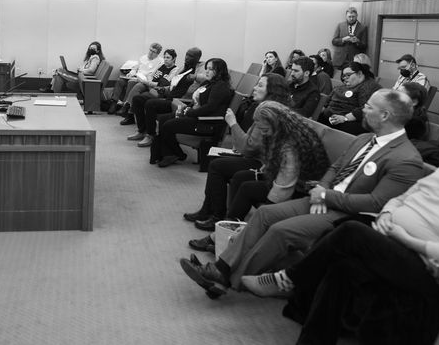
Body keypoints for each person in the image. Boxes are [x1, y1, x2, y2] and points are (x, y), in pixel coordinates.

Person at [242, 127, 439, 345]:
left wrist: (412, 241)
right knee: (343, 269)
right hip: (392, 242)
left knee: (351, 231)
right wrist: (388, 214)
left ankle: (289, 278)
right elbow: (402, 198)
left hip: (428, 267)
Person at [179, 89, 426, 298]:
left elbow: (376, 203)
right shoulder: (364, 139)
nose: (363, 109)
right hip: (323, 198)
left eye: (369, 107)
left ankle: (230, 280)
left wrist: (326, 196)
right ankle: (221, 269)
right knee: (265, 214)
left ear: (385, 115)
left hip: (348, 215)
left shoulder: (405, 158)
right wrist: (322, 189)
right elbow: (335, 167)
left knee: (280, 230)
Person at [187, 102, 329, 253]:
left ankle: (224, 236)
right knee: (243, 179)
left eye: (265, 130)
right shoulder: (284, 130)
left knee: (248, 189)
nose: (264, 133)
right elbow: (277, 165)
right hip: (288, 180)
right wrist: (266, 169)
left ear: (275, 123)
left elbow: (284, 187)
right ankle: (227, 230)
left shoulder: (290, 146)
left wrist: (267, 209)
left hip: (302, 190)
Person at [184, 73, 292, 229]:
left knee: (217, 166)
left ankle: (216, 216)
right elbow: (250, 142)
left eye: (260, 85)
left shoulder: (268, 113)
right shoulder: (264, 107)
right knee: (217, 163)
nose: (254, 88)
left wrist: (233, 123)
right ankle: (209, 211)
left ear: (272, 91)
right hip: (259, 159)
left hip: (262, 163)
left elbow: (248, 147)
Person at [150, 58, 234, 168]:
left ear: (219, 71)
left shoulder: (221, 86)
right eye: (206, 69)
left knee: (168, 125)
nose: (207, 71)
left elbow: (209, 108)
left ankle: (176, 153)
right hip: (197, 116)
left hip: (206, 123)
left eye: (211, 69)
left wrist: (189, 112)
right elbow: (197, 100)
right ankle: (168, 153)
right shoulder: (208, 83)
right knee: (163, 119)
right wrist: (187, 109)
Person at [127, 48, 203, 147]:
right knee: (137, 99)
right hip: (168, 95)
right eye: (187, 55)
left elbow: (204, 79)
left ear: (198, 58)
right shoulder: (184, 68)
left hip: (178, 101)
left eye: (191, 56)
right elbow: (173, 85)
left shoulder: (198, 71)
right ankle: (141, 131)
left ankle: (151, 135)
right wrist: (164, 89)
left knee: (150, 104)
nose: (187, 57)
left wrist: (195, 77)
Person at [320, 61, 381, 135]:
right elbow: (326, 101)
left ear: (359, 74)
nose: (345, 78)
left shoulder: (368, 86)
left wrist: (345, 118)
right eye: (343, 76)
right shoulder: (341, 87)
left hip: (350, 121)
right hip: (330, 116)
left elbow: (365, 108)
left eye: (348, 75)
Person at [120, 49, 178, 125]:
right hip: (150, 84)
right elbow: (150, 75)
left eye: (168, 58)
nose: (165, 59)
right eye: (164, 57)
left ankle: (130, 114)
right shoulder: (162, 65)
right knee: (138, 86)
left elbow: (164, 84)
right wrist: (149, 82)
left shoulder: (174, 70)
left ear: (173, 59)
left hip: (157, 88)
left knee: (140, 95)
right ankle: (127, 106)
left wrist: (149, 83)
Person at [107, 42, 163, 114]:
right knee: (120, 81)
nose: (150, 53)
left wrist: (143, 78)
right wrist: (131, 74)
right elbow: (135, 68)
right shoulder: (143, 58)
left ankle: (125, 105)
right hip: (136, 76)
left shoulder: (160, 62)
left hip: (145, 80)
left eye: (153, 52)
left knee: (131, 82)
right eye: (150, 50)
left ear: (157, 54)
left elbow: (154, 75)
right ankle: (114, 103)